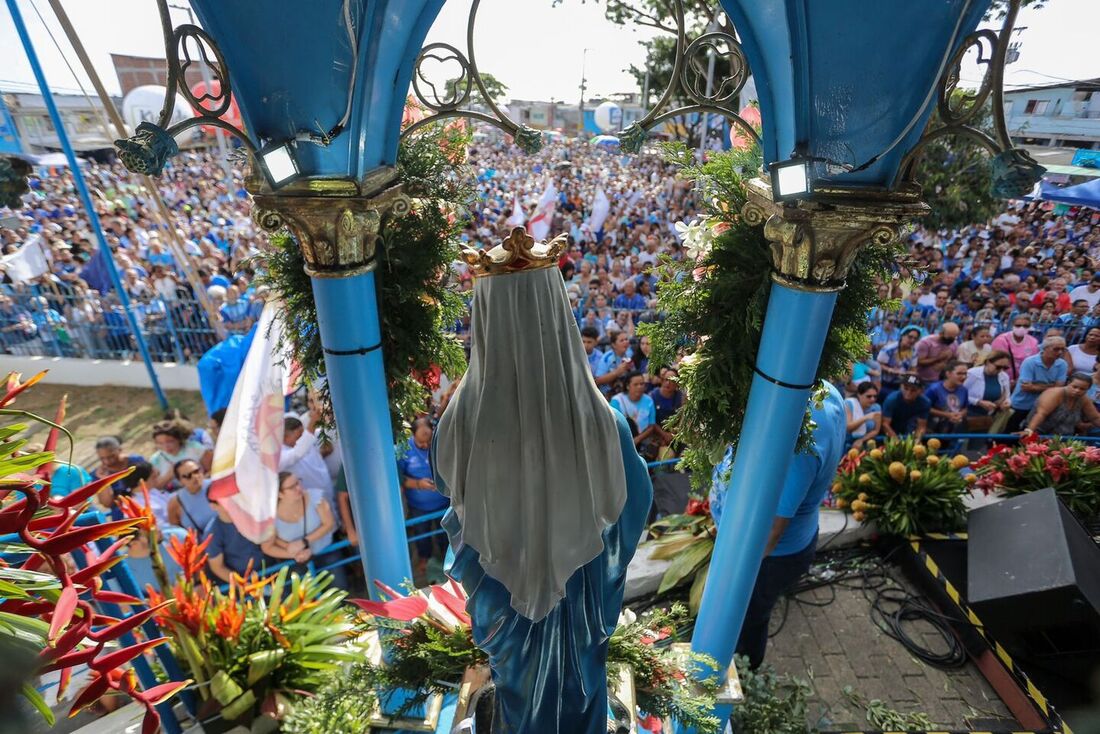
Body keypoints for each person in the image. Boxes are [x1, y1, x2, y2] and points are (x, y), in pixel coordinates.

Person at [434, 230, 652, 733]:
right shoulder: (603, 422)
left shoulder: (459, 419)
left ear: (484, 317)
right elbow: (634, 501)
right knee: (577, 694)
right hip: (580, 597)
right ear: (557, 314)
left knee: (519, 698)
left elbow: (451, 496)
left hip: (502, 600)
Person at [708, 382, 846, 669]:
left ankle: (745, 670)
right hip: (783, 544)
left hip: (770, 558)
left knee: (746, 619)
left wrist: (731, 576)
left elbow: (770, 531)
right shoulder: (820, 390)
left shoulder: (797, 443)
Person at [261, 471, 343, 585]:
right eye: (291, 487)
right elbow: (267, 547)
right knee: (307, 599)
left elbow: (329, 523)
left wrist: (303, 542)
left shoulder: (315, 497)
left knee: (339, 587)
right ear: (279, 494)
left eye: (298, 482)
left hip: (326, 551)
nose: (298, 488)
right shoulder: (271, 517)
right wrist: (295, 555)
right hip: (297, 562)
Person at [399, 416, 449, 574]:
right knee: (422, 536)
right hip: (419, 507)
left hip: (443, 504)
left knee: (446, 536)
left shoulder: (441, 442)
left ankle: (448, 564)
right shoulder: (403, 449)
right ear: (412, 435)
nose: (426, 445)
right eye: (421, 442)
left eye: (429, 441)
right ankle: (424, 563)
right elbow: (398, 478)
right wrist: (418, 484)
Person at [1007, 336, 1069, 432]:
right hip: (1022, 403)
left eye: (1063, 349)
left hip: (1044, 405)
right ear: (1045, 349)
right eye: (1056, 349)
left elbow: (1058, 388)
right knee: (1012, 430)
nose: (1060, 352)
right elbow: (1026, 387)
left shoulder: (1062, 364)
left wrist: (1035, 386)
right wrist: (1051, 386)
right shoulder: (1030, 362)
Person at [205, 500, 267, 583]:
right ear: (213, 506)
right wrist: (243, 584)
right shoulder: (212, 532)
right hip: (243, 580)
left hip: (268, 569)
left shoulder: (249, 514)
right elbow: (217, 567)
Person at [279, 415, 335, 504]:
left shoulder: (306, 439)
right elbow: (297, 453)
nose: (303, 439)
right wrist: (313, 420)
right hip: (309, 503)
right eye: (298, 437)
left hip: (329, 493)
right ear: (284, 437)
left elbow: (327, 434)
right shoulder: (279, 456)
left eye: (303, 435)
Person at [1025, 372, 1100, 436]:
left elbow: (1095, 418)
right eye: (1074, 387)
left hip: (1065, 437)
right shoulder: (1054, 394)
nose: (1077, 390)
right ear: (1068, 383)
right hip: (1039, 434)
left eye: (1082, 389)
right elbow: (1041, 414)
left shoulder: (1084, 399)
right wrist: (1029, 430)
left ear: (1088, 389)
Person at [148, 418, 209, 490]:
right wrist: (169, 475)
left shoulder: (194, 448)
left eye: (170, 441)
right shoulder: (155, 460)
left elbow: (211, 469)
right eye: (160, 443)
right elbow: (154, 488)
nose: (166, 447)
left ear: (179, 439)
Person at [611, 371, 659, 457]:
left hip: (643, 441)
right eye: (636, 384)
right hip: (621, 441)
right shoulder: (617, 401)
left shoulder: (649, 400)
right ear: (628, 386)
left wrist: (637, 439)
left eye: (642, 384)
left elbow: (652, 425)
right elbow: (613, 424)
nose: (640, 387)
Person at [92, 436, 146, 509]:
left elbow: (151, 482)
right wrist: (105, 481)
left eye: (111, 457)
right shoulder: (98, 474)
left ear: (119, 450)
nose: (106, 461)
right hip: (122, 512)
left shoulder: (136, 461)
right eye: (102, 458)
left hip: (147, 502)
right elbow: (107, 503)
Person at [964, 350, 1012, 432]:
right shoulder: (971, 374)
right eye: (998, 367)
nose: (1001, 370)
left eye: (1005, 368)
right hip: (968, 414)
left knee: (980, 442)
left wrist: (1007, 402)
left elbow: (1007, 395)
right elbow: (960, 395)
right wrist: (978, 402)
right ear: (988, 362)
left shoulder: (1004, 376)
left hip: (989, 417)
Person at [166, 459, 216, 534]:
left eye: (196, 471)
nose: (194, 477)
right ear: (180, 481)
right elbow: (176, 533)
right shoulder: (176, 503)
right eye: (188, 476)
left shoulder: (216, 485)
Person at [990, 316, 1039, 385]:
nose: (1021, 328)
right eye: (1018, 325)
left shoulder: (1033, 341)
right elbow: (998, 361)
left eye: (1025, 326)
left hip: (1025, 380)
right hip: (1003, 379)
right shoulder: (1001, 340)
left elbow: (1034, 362)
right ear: (1012, 325)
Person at [925, 360, 969, 435]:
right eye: (959, 373)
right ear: (948, 374)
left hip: (952, 432)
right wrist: (947, 415)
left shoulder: (964, 390)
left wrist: (960, 414)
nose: (964, 377)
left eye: (965, 374)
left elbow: (965, 408)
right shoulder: (934, 389)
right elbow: (925, 408)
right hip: (931, 430)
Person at [876, 326, 920, 399]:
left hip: (901, 383)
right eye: (910, 337)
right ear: (902, 336)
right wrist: (890, 370)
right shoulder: (889, 349)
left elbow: (913, 368)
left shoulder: (913, 351)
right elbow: (878, 364)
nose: (912, 340)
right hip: (884, 382)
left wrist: (912, 375)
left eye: (915, 338)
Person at [881, 375, 930, 440]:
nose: (908, 392)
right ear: (901, 387)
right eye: (906, 388)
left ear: (920, 390)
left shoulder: (925, 402)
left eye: (913, 390)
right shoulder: (891, 399)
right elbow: (885, 424)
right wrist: (898, 443)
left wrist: (916, 441)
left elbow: (921, 426)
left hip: (910, 426)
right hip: (892, 425)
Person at [594, 330, 634, 396]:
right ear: (614, 345)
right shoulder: (607, 358)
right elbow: (597, 381)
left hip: (626, 390)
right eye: (622, 340)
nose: (626, 342)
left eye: (626, 339)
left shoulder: (630, 353)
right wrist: (616, 372)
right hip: (608, 393)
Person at [843, 382, 881, 449]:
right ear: (859, 395)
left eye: (875, 396)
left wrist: (861, 440)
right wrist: (865, 418)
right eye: (869, 396)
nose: (873, 399)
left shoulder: (877, 407)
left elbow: (876, 431)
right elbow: (848, 428)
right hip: (848, 442)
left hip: (866, 441)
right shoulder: (850, 404)